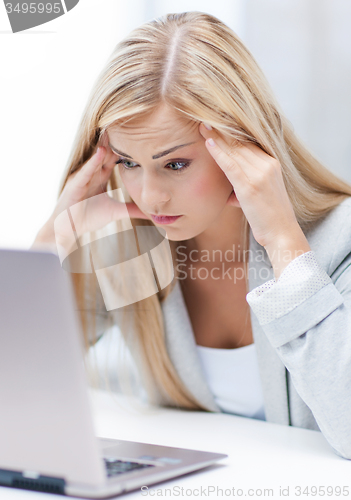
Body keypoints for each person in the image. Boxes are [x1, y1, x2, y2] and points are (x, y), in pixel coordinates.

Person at [31, 11, 351, 459]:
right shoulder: (131, 248)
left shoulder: (341, 243)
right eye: (128, 162)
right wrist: (53, 239)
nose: (149, 196)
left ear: (243, 142)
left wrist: (283, 242)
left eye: (175, 164)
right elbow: (19, 387)